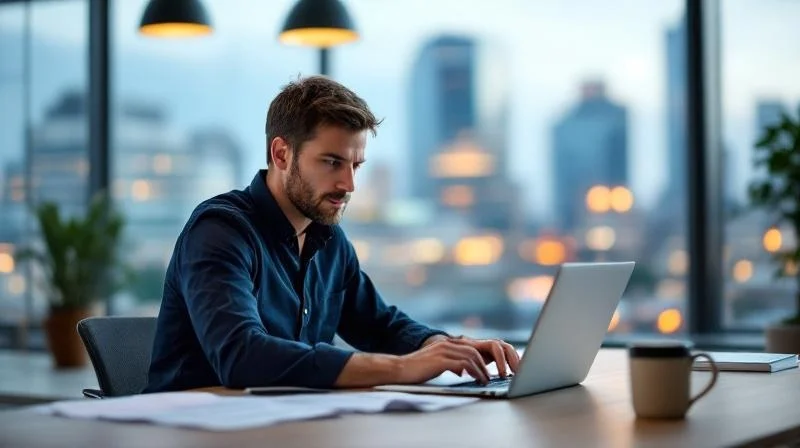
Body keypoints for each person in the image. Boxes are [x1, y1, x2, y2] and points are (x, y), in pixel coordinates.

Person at [144, 76, 520, 393]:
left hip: (285, 428)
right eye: (332, 162)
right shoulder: (220, 232)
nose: (349, 184)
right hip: (189, 432)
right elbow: (242, 356)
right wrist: (402, 368)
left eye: (356, 165)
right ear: (281, 155)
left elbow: (379, 324)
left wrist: (445, 346)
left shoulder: (328, 238)